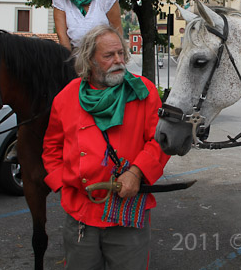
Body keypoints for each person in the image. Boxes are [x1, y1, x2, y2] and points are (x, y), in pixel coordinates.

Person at [42, 25, 169, 269]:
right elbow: (51, 148)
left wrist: (136, 173)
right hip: (80, 213)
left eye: (121, 53)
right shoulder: (66, 97)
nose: (119, 60)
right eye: (109, 55)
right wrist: (62, 182)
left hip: (127, 213)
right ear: (89, 60)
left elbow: (160, 141)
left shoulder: (143, 91)